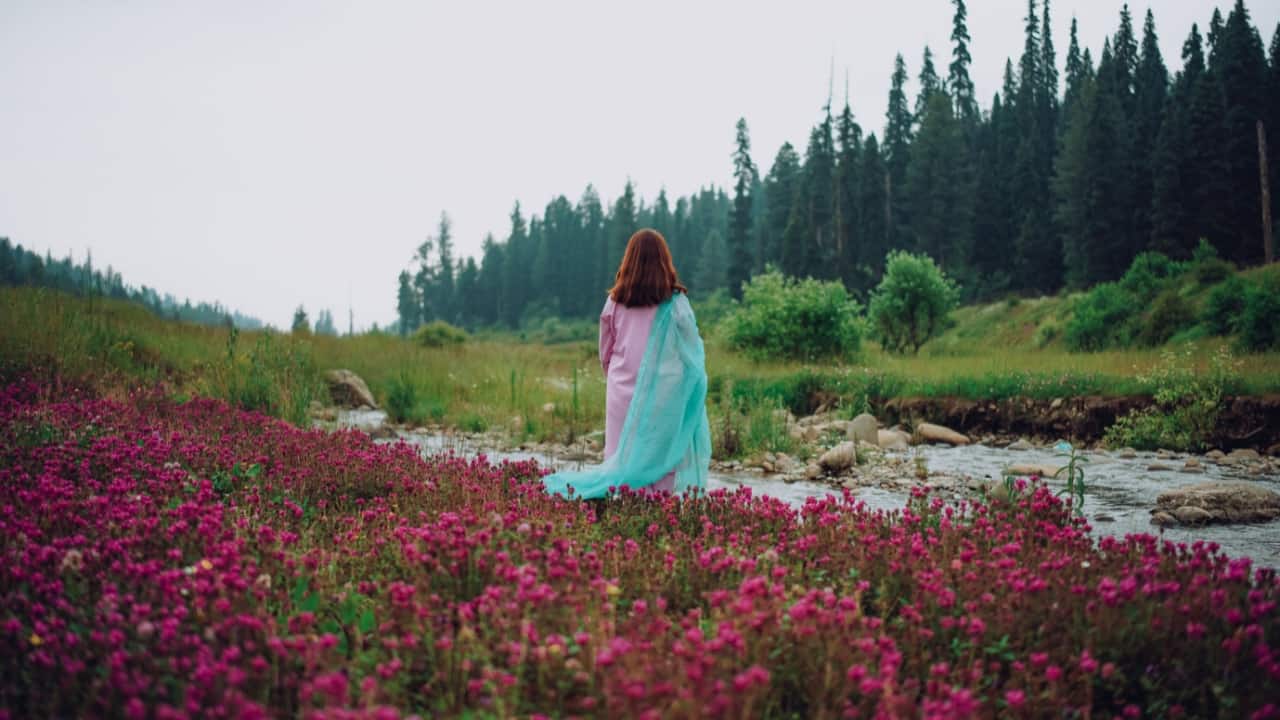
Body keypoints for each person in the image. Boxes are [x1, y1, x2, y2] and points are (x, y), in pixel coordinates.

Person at [542, 228, 711, 500]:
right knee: (662, 454)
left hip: (621, 391)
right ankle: (656, 511)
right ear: (663, 260)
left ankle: (621, 510)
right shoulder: (677, 303)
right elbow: (691, 353)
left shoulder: (615, 302)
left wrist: (618, 379)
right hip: (663, 395)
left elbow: (605, 352)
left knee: (621, 455)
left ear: (628, 260)